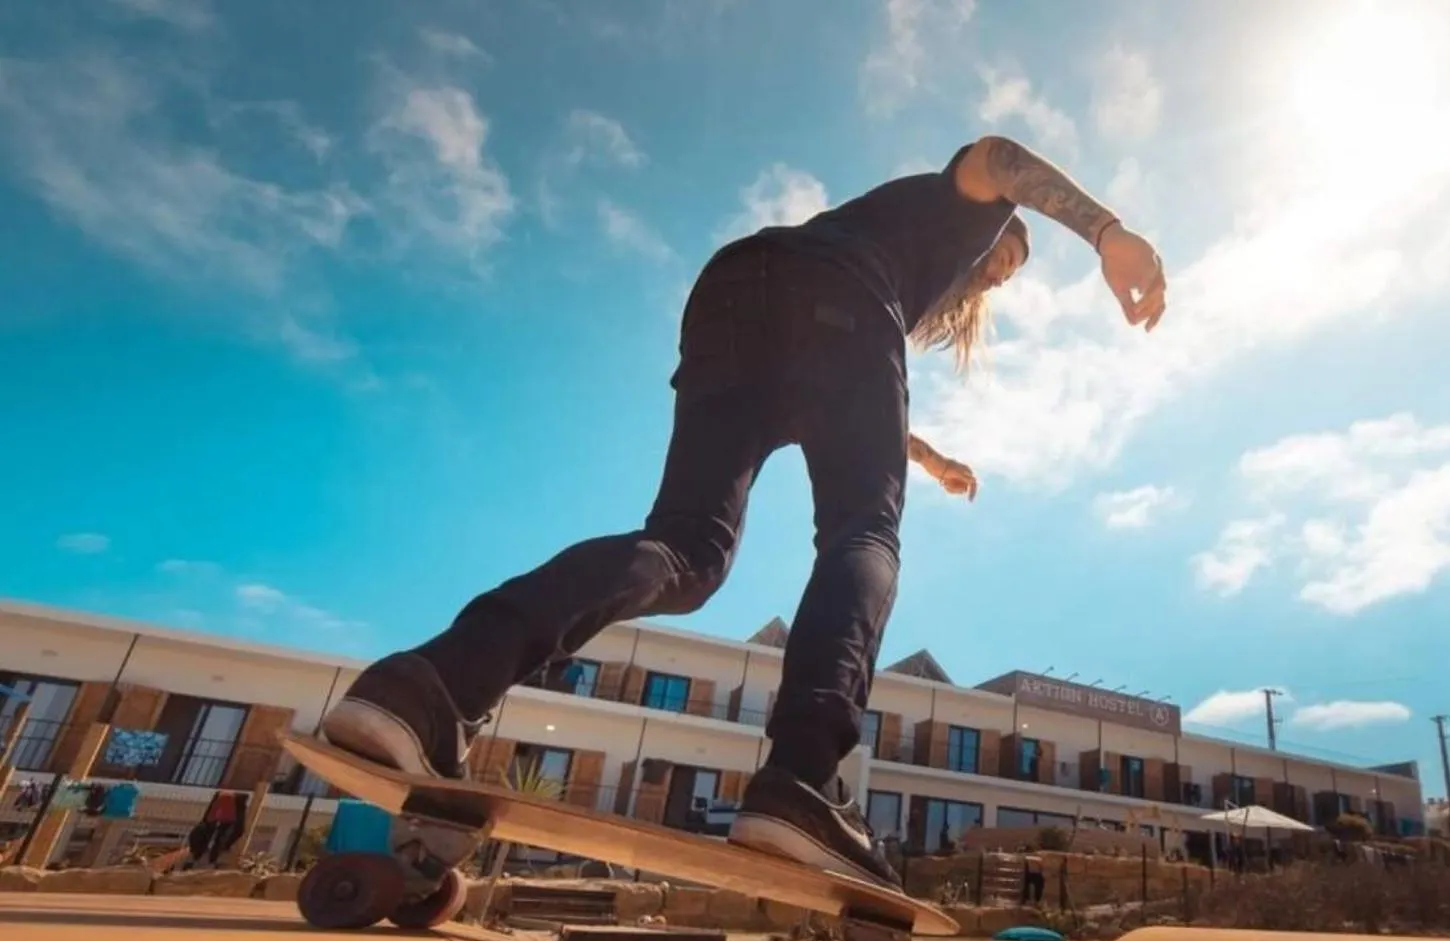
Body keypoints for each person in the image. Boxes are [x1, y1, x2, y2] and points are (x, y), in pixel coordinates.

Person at [316, 134, 1169, 892]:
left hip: (735, 296)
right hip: (832, 306)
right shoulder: (953, 212)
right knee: (863, 532)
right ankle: (801, 777)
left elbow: (843, 381)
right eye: (1003, 253)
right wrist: (1105, 231)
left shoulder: (889, 270)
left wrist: (930, 455)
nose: (996, 266)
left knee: (686, 549)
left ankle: (432, 682)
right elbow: (1000, 157)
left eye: (1006, 270)